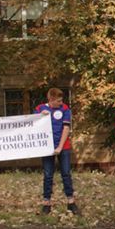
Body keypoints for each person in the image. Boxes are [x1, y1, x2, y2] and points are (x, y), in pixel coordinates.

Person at [36, 87, 78, 215]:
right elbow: (33, 125)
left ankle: (71, 202)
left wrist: (59, 147)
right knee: (48, 175)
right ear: (51, 99)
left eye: (61, 100)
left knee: (66, 173)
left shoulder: (65, 109)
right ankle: (46, 203)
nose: (61, 103)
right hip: (47, 147)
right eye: (58, 101)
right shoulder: (40, 108)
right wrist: (39, 117)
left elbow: (66, 128)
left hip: (63, 147)